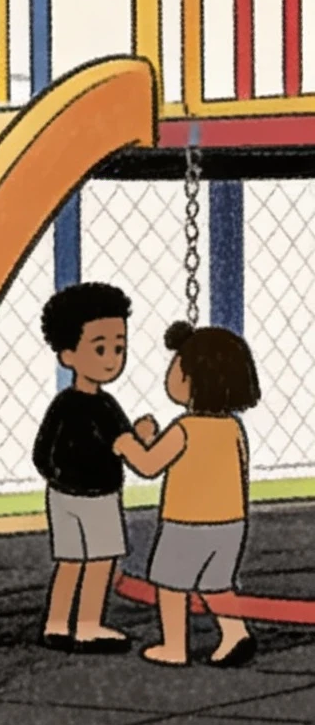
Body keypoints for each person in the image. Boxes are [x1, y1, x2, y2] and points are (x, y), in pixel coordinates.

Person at [123, 321, 263, 668]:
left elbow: (149, 465)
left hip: (186, 522)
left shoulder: (184, 429)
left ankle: (174, 646)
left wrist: (130, 442)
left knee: (171, 584)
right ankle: (234, 633)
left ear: (190, 378)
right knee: (217, 585)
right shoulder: (233, 428)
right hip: (230, 523)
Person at [31, 282, 144, 652]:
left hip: (62, 495)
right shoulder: (105, 408)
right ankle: (89, 626)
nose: (112, 358)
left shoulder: (63, 404)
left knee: (69, 562)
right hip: (98, 495)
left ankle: (57, 624)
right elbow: (132, 452)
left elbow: (41, 452)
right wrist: (143, 439)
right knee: (99, 563)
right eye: (100, 348)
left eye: (119, 348)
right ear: (68, 355)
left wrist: (59, 476)